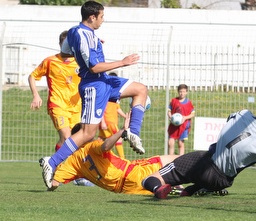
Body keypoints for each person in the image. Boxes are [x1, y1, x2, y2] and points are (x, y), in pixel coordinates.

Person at [39, 1, 148, 189]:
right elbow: (94, 67)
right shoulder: (84, 35)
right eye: (101, 16)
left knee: (140, 89)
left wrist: (91, 46)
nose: (103, 20)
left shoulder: (74, 32)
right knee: (88, 133)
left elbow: (65, 52)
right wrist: (122, 62)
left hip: (104, 81)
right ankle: (53, 162)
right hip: (94, 85)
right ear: (92, 17)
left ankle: (133, 132)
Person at [142, 99, 256, 201]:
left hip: (205, 163)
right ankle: (189, 191)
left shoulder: (243, 114)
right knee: (205, 175)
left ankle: (158, 188)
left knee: (148, 179)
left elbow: (230, 121)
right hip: (221, 181)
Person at [48, 112, 179, 194]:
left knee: (164, 187)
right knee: (177, 160)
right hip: (131, 171)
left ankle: (182, 190)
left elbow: (54, 183)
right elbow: (105, 146)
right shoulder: (92, 146)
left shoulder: (71, 163)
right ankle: (196, 177)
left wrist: (50, 185)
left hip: (125, 190)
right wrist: (123, 130)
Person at [28, 30, 81, 152]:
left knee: (73, 141)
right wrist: (36, 95)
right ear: (60, 44)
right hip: (57, 105)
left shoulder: (80, 62)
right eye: (65, 44)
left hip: (76, 108)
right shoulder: (50, 61)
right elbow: (32, 76)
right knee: (67, 137)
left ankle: (62, 168)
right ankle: (56, 166)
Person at [98, 72, 127, 158]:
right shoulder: (105, 93)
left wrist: (125, 116)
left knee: (101, 139)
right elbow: (101, 108)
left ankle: (96, 156)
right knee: (118, 138)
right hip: (108, 121)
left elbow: (117, 108)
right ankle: (123, 158)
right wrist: (102, 121)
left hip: (110, 122)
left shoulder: (114, 93)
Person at [167, 84, 195, 155]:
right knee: (170, 143)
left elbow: (193, 114)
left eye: (183, 91)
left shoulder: (188, 103)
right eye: (180, 91)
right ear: (178, 92)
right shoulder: (174, 101)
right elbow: (169, 110)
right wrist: (170, 116)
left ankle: (180, 159)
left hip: (183, 126)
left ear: (186, 92)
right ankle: (170, 159)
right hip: (173, 126)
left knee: (180, 143)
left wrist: (185, 117)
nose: (182, 93)